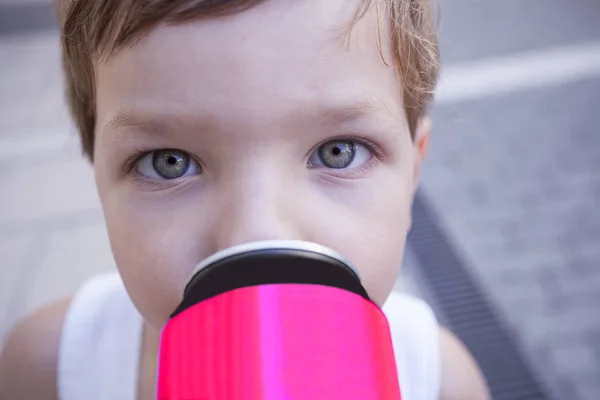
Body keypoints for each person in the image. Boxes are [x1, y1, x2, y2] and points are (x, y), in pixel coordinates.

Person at [0, 0, 490, 399]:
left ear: (412, 177)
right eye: (169, 161)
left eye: (338, 152)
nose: (258, 234)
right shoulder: (49, 368)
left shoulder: (438, 380)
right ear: (100, 182)